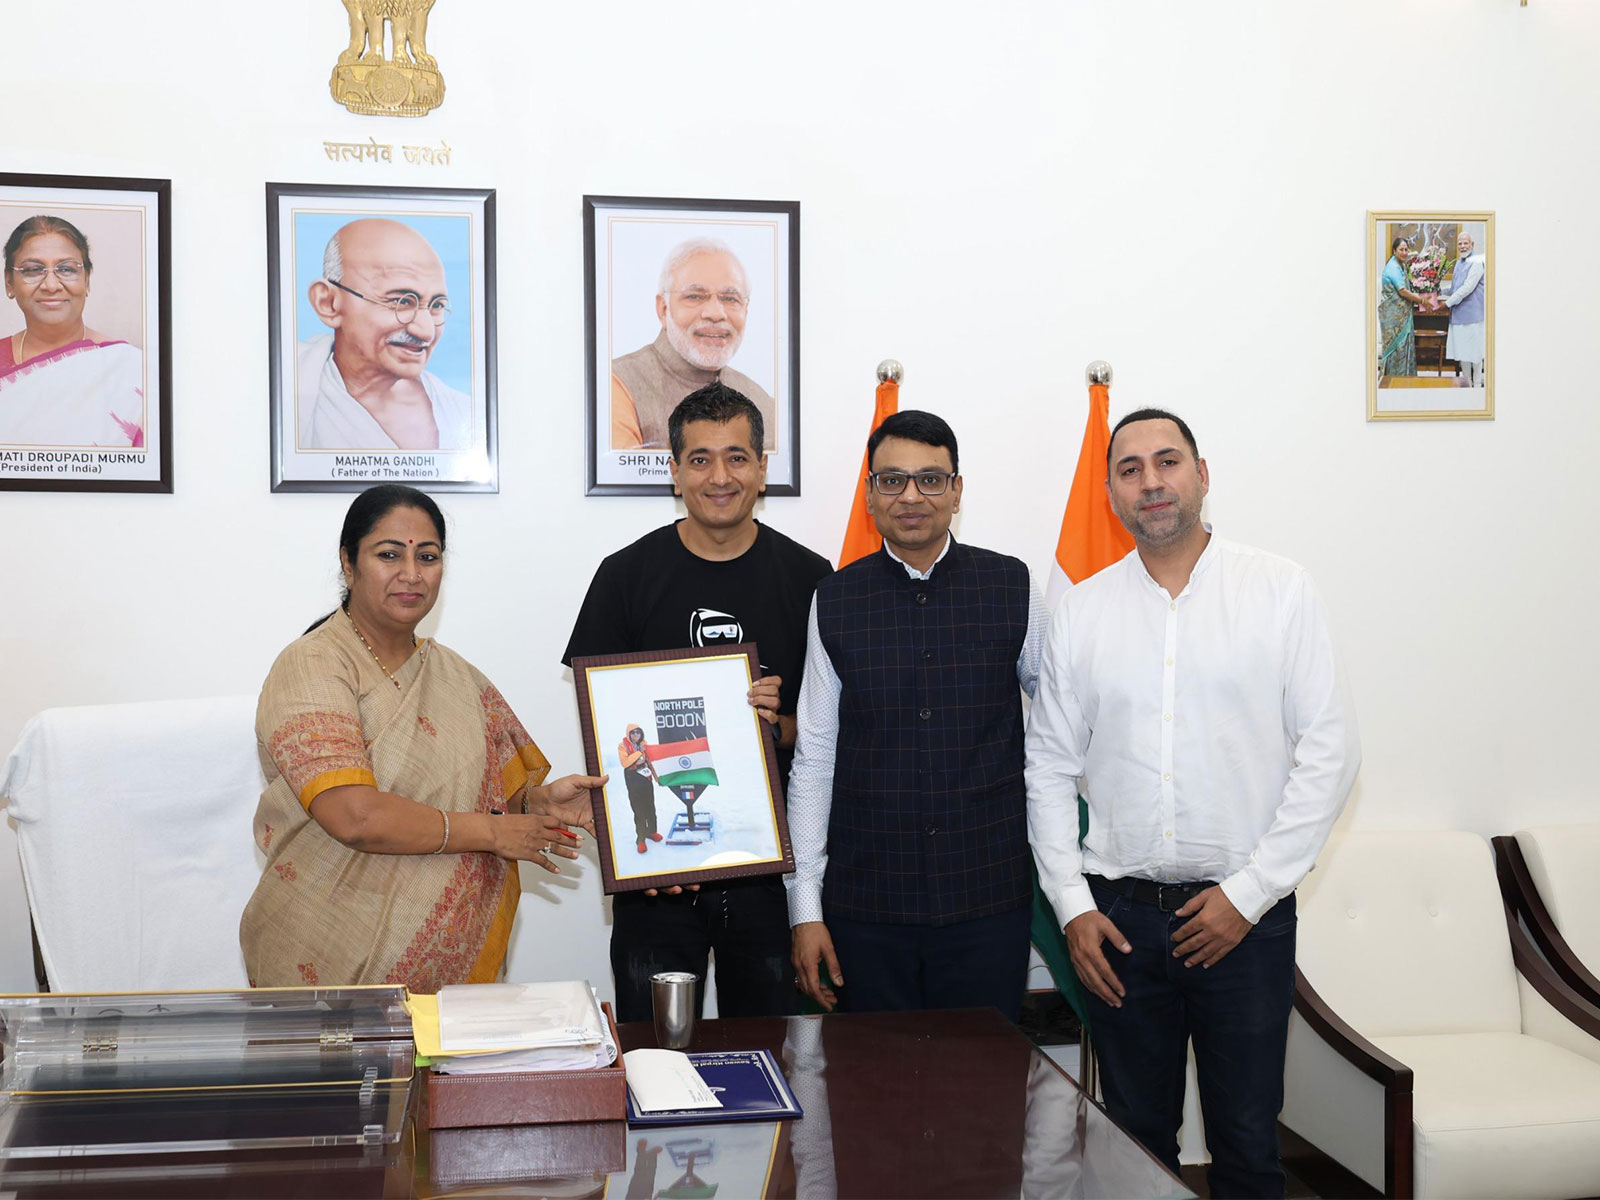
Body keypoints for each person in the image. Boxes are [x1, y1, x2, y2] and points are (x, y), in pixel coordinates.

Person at [1025, 409, 1360, 1198]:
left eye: (1166, 462)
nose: (1151, 482)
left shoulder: (1278, 590)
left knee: (1247, 1145)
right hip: (1120, 927)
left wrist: (1247, 896)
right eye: (1131, 469)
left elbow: (1330, 754)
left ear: (1202, 474)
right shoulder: (1082, 611)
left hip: (1244, 920)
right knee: (1134, 1148)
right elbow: (1045, 766)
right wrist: (1072, 908)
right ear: (1111, 492)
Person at [241, 484, 603, 992]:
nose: (411, 574)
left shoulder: (459, 678)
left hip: (452, 990)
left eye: (427, 557)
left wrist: (542, 804)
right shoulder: (312, 665)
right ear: (349, 563)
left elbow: (489, 798)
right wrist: (495, 833)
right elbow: (354, 815)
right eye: (389, 554)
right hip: (323, 961)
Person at [564, 382, 832, 1022]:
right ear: (675, 471)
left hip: (771, 875)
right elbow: (607, 734)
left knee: (775, 1058)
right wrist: (633, 842)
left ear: (763, 470)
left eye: (737, 457)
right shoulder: (624, 577)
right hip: (656, 876)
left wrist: (777, 725)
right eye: (701, 458)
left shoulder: (814, 579)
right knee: (655, 1055)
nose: (720, 476)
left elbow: (827, 735)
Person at [787, 410, 1046, 1022]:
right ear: (870, 493)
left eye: (931, 480)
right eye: (892, 480)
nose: (911, 496)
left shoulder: (1012, 585)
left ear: (957, 491)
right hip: (867, 906)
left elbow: (1062, 725)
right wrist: (806, 910)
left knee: (983, 1096)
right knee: (872, 1101)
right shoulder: (836, 599)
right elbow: (816, 755)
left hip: (987, 899)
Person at [297, 218, 472, 451]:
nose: (426, 331)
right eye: (402, 302)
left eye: (437, 306)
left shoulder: (462, 413)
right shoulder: (292, 390)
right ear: (328, 303)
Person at [610, 238, 776, 452]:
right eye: (695, 296)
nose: (716, 314)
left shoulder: (765, 405)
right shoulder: (618, 385)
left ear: (746, 310)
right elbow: (622, 482)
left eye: (730, 299)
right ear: (663, 309)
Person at [1, 215, 143, 447]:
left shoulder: (132, 370)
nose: (51, 285)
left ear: (86, 280)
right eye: (33, 270)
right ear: (9, 282)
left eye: (66, 269)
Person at [1377, 236, 1434, 380]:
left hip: (1402, 316)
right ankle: (1392, 380)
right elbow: (1402, 291)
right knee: (1396, 348)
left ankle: (1405, 380)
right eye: (1401, 249)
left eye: (1406, 249)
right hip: (1394, 318)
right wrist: (1422, 300)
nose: (1404, 252)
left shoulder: (1400, 265)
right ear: (1394, 251)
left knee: (1404, 345)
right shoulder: (1393, 267)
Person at [1442, 229, 1487, 387]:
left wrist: (1446, 303)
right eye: (1460, 243)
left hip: (1473, 316)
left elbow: (1467, 288)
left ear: (1472, 244)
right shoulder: (1460, 263)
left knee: (1475, 353)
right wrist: (1436, 291)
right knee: (1463, 354)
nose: (1462, 246)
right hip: (1459, 317)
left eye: (1465, 243)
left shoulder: (1476, 262)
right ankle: (1467, 385)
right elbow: (1455, 287)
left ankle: (1477, 385)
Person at [618, 722, 664, 853]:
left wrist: (656, 778)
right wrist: (639, 753)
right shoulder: (622, 746)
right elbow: (625, 762)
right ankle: (641, 839)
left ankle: (652, 832)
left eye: (638, 732)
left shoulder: (645, 744)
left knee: (650, 806)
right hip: (633, 779)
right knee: (639, 810)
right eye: (633, 732)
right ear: (629, 734)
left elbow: (649, 762)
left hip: (646, 777)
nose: (636, 735)